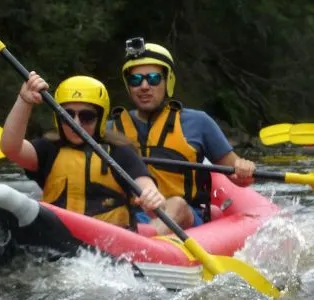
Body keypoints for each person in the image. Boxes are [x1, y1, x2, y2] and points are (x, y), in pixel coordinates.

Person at [110, 38, 256, 235]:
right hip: (130, 216)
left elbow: (240, 180)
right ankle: (129, 236)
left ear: (167, 81)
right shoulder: (110, 130)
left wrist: (244, 168)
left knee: (177, 205)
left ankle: (141, 242)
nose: (144, 86)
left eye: (153, 79)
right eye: (135, 80)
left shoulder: (198, 123)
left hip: (186, 217)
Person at [0, 72, 166, 229]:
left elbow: (149, 194)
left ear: (100, 118)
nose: (76, 123)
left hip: (108, 244)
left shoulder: (120, 153)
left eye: (86, 116)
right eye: (67, 115)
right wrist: (24, 101)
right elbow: (11, 148)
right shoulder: (48, 149)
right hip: (59, 234)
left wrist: (152, 198)